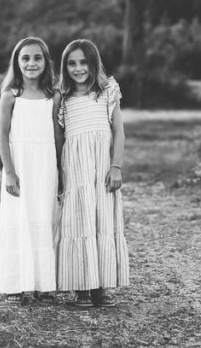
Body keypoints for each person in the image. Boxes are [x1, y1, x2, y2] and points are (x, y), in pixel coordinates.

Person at [0, 36, 62, 303]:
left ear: (45, 62)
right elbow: (2, 135)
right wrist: (9, 171)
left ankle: (43, 285)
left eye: (37, 58)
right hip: (20, 165)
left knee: (44, 218)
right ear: (17, 63)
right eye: (25, 58)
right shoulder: (10, 96)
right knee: (19, 219)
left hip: (45, 166)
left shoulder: (54, 97)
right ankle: (17, 284)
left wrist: (61, 171)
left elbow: (57, 136)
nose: (32, 63)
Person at [55, 38, 129, 308]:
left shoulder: (107, 90)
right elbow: (59, 140)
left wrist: (116, 165)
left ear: (93, 63)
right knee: (79, 221)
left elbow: (118, 130)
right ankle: (82, 288)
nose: (78, 68)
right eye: (71, 63)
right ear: (65, 67)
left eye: (83, 62)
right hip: (75, 168)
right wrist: (60, 176)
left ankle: (100, 287)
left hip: (102, 167)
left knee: (102, 222)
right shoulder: (61, 99)